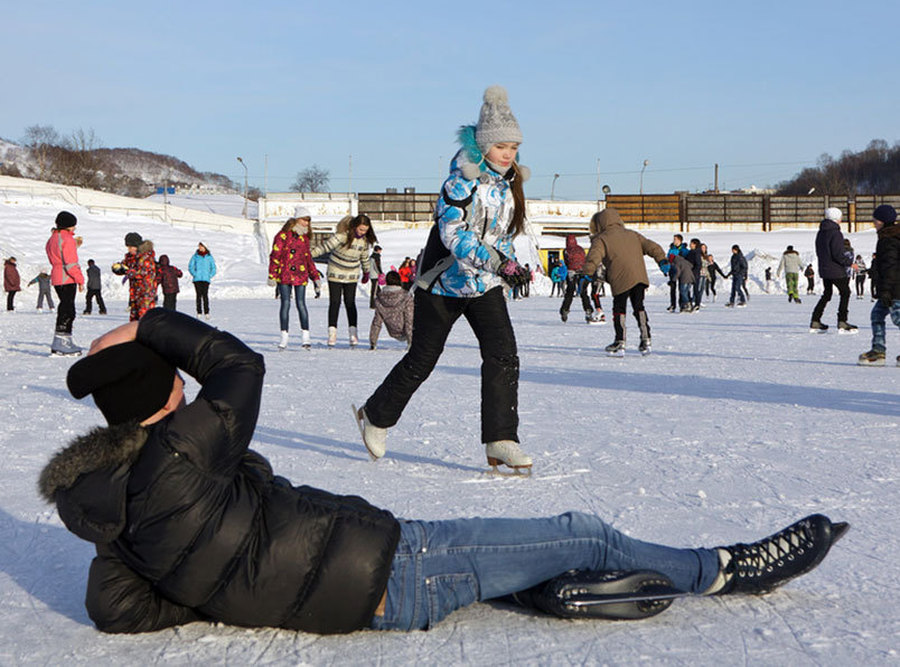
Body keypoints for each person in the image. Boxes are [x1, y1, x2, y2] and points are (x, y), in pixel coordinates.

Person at [40, 308, 849, 635]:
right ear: (166, 393)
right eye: (175, 382)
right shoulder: (187, 450)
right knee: (583, 528)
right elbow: (240, 364)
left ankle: (548, 588)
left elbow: (114, 607)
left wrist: (221, 590)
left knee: (531, 556)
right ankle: (723, 568)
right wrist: (149, 320)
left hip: (363, 593)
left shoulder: (114, 509)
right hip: (398, 563)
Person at [355, 85, 533, 473]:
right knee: (423, 358)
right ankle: (375, 416)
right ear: (483, 145)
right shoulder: (460, 181)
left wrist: (513, 264)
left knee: (503, 356)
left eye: (514, 148)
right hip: (443, 284)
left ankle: (501, 439)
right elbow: (454, 234)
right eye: (501, 146)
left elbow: (501, 236)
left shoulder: (505, 188)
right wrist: (496, 263)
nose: (508, 154)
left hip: (482, 285)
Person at [582, 207, 667, 355]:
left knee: (619, 309)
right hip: (639, 276)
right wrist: (662, 261)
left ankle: (620, 341)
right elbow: (653, 247)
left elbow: (593, 257)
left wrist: (587, 274)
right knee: (639, 306)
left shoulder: (602, 239)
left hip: (620, 277)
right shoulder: (633, 234)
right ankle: (646, 339)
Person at [310, 214, 375, 347]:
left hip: (351, 274)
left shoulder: (364, 242)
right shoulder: (342, 236)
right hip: (335, 272)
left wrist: (366, 272)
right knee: (335, 302)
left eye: (365, 230)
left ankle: (353, 333)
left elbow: (364, 257)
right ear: (355, 226)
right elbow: (324, 247)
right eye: (361, 229)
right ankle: (332, 334)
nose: (362, 232)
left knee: (350, 303)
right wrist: (308, 255)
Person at [268, 208, 320, 350]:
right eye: (304, 220)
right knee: (285, 304)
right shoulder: (283, 236)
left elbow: (308, 258)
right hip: (284, 275)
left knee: (301, 304)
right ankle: (284, 336)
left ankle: (306, 336)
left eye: (308, 221)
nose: (306, 223)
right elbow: (275, 255)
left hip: (301, 275)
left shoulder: (305, 238)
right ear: (297, 219)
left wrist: (315, 276)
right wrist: (272, 275)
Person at [858, 205, 900, 366]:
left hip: (895, 289)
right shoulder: (887, 237)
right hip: (890, 287)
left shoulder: (889, 240)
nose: (873, 222)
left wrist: (887, 291)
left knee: (898, 318)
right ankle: (878, 350)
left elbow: (891, 267)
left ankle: (878, 349)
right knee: (877, 315)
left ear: (881, 221)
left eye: (875, 219)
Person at [810, 208, 856, 333]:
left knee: (827, 294)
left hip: (825, 269)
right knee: (845, 292)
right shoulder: (835, 233)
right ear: (837, 219)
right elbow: (837, 254)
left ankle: (815, 320)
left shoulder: (821, 232)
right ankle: (842, 320)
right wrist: (850, 263)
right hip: (835, 270)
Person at [45, 210, 85, 355]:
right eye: (74, 226)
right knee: (68, 310)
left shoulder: (52, 239)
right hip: (67, 278)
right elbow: (70, 264)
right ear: (68, 226)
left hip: (57, 277)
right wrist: (80, 279)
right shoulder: (67, 240)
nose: (75, 228)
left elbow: (56, 258)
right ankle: (61, 342)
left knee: (65, 308)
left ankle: (63, 340)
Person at [112, 232, 158, 321]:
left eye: (130, 247)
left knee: (144, 320)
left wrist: (127, 271)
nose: (128, 250)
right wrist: (118, 268)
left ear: (136, 246)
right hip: (135, 293)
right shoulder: (131, 257)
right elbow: (125, 266)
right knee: (134, 320)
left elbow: (143, 272)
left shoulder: (146, 257)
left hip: (145, 293)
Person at [370, 270, 414, 350]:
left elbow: (377, 322)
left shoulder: (380, 299)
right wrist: (411, 341)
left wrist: (373, 342)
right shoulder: (406, 297)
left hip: (393, 332)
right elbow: (409, 319)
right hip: (406, 332)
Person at [559, 235, 599, 323]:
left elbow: (567, 262)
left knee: (569, 292)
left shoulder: (566, 251)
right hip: (582, 272)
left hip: (571, 273)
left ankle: (565, 310)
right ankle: (588, 310)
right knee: (583, 292)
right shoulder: (580, 249)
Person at [188, 242, 216, 318]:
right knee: (198, 296)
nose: (200, 247)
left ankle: (207, 312)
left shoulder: (209, 257)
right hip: (197, 279)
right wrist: (194, 274)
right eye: (199, 246)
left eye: (201, 246)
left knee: (205, 296)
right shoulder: (195, 256)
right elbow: (190, 266)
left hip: (206, 279)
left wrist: (209, 275)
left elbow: (213, 268)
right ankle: (199, 312)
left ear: (205, 247)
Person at [666, 234, 688, 311]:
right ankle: (673, 305)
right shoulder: (671, 249)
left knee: (681, 288)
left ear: (679, 240)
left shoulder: (684, 250)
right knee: (672, 288)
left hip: (681, 271)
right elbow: (668, 259)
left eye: (675, 239)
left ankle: (682, 304)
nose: (674, 241)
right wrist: (666, 269)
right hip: (672, 270)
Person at [685, 238, 703, 311]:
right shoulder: (691, 252)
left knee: (695, 290)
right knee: (688, 289)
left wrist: (694, 271)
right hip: (689, 272)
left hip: (694, 274)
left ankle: (697, 304)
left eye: (691, 243)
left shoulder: (696, 253)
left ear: (695, 244)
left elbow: (698, 264)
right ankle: (690, 302)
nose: (690, 245)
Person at [370, 244, 384, 309]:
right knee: (374, 290)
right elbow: (376, 266)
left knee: (378, 290)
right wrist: (380, 273)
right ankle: (372, 304)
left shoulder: (373, 256)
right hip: (374, 275)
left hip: (373, 275)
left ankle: (381, 302)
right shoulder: (375, 257)